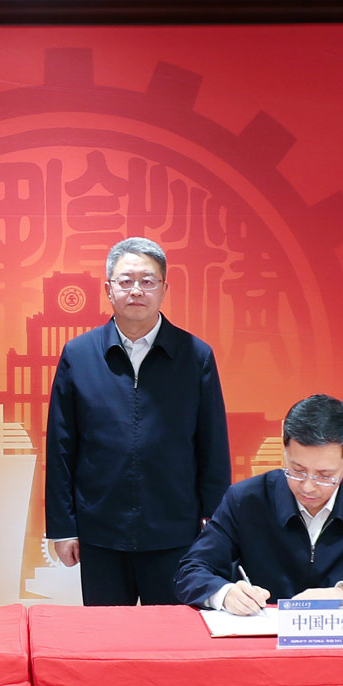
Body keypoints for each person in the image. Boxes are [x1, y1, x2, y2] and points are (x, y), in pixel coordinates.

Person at [45, 236, 230, 605]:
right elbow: (61, 446)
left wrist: (216, 523)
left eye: (147, 281)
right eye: (125, 281)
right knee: (107, 635)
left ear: (164, 289)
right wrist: (63, 527)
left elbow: (212, 446)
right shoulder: (79, 355)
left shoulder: (195, 356)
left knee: (174, 635)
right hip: (100, 531)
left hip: (175, 532)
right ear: (108, 289)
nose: (136, 291)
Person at [177, 393, 343, 615]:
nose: (308, 486)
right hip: (265, 640)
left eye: (324, 475)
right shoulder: (246, 499)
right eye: (297, 470)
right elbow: (190, 571)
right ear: (284, 450)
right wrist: (225, 593)